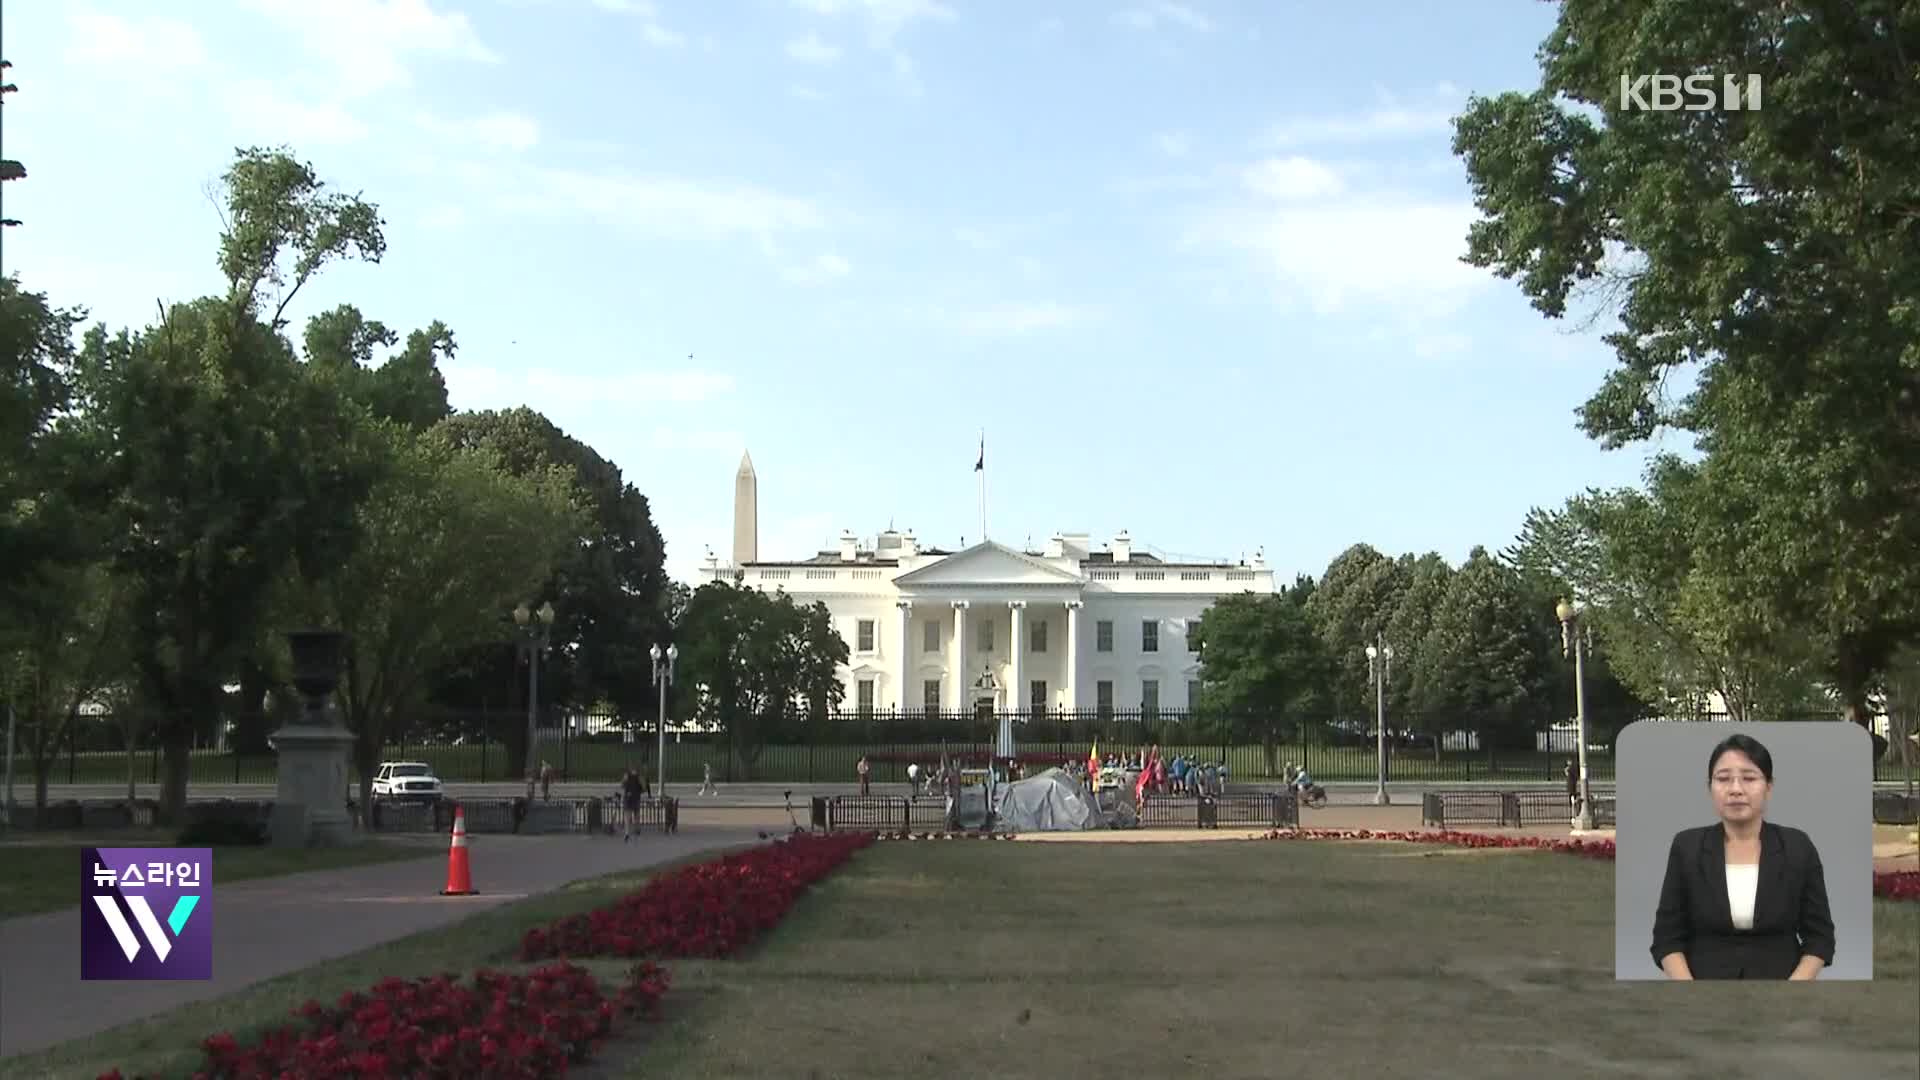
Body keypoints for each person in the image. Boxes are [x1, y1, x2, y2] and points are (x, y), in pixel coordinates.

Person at [1650, 734, 1835, 981]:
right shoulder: (1687, 848)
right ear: (1710, 787)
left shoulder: (1797, 847)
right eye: (1723, 779)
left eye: (1749, 778)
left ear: (1768, 787)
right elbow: (1667, 937)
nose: (1736, 789)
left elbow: (1820, 937)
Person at [620, 765, 644, 843]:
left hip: (628, 797)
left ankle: (627, 832)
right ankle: (637, 829)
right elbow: (643, 788)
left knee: (627, 815)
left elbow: (622, 785)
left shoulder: (627, 775)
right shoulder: (639, 777)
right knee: (636, 814)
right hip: (636, 797)